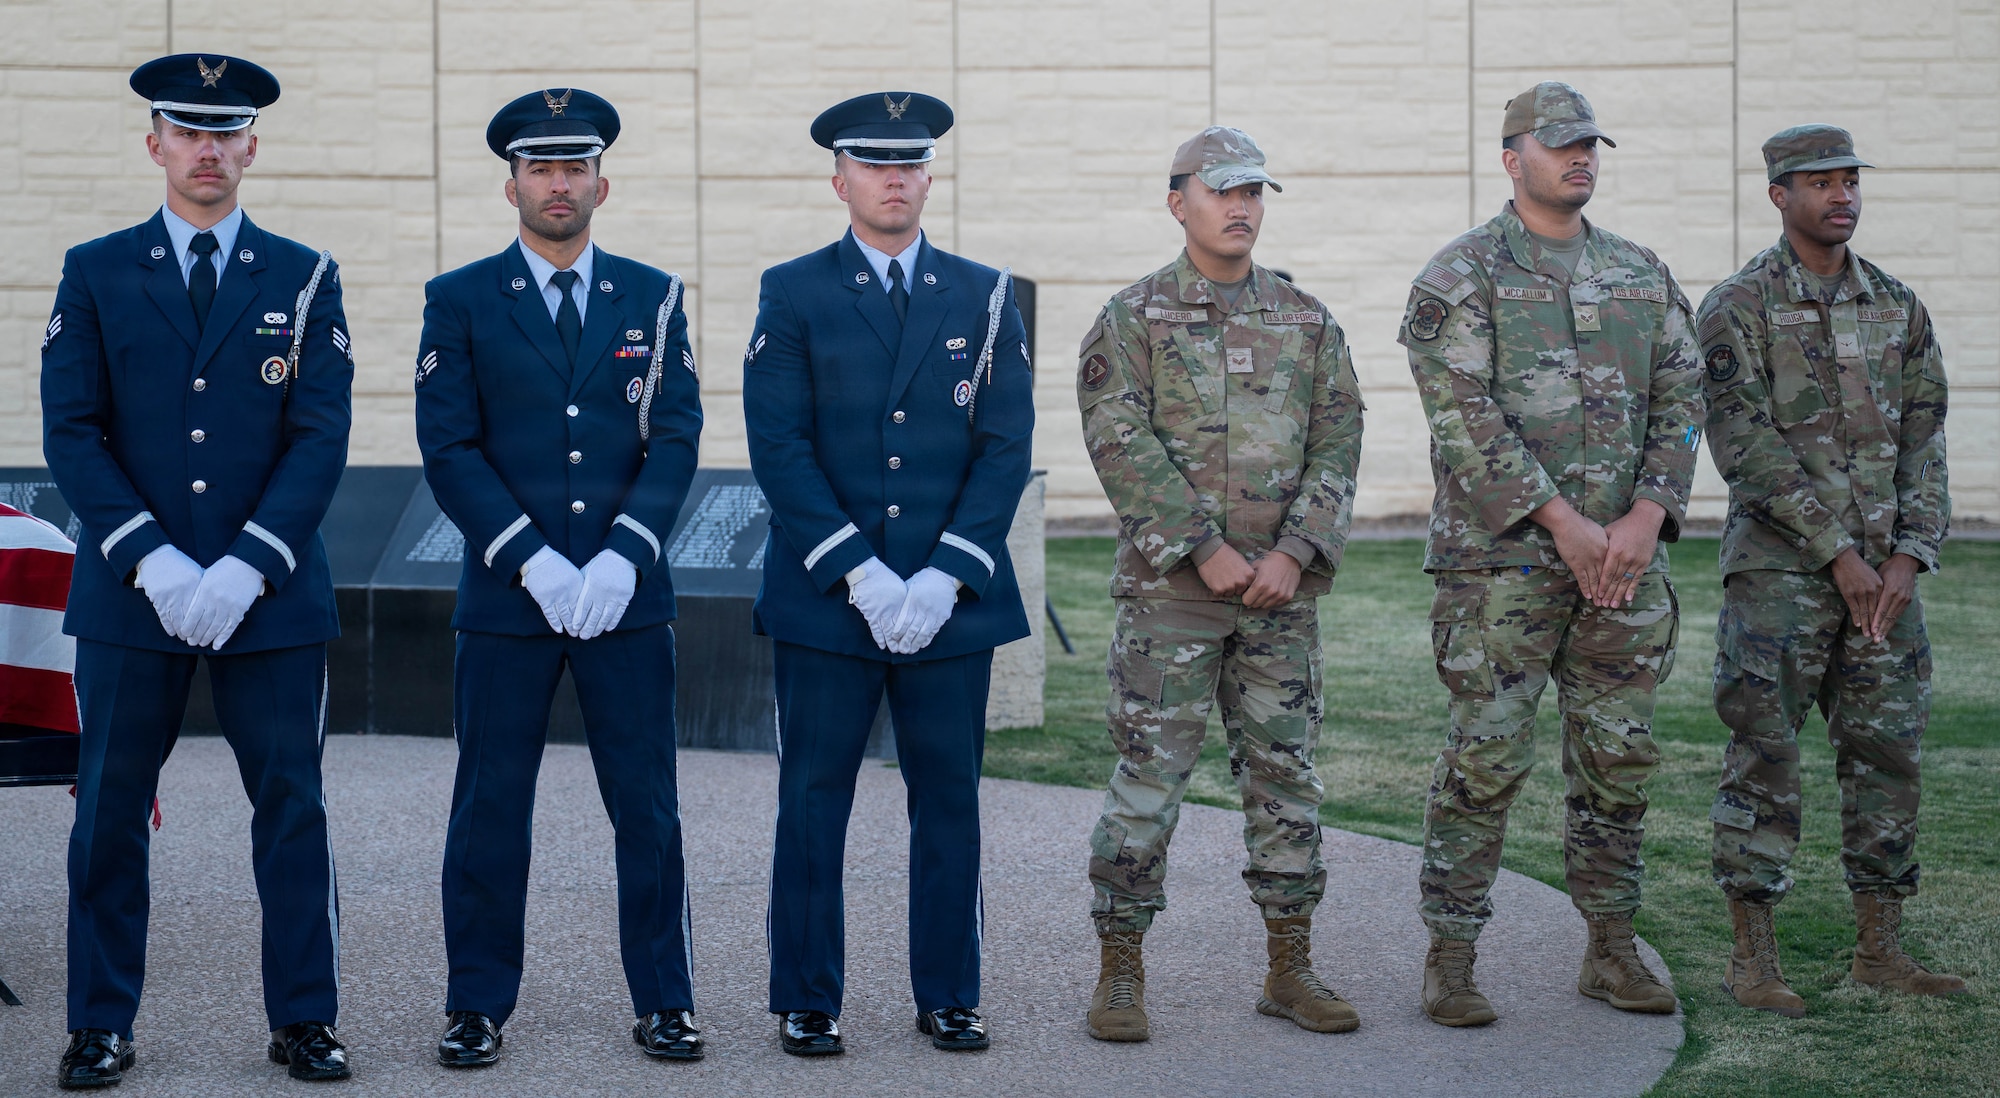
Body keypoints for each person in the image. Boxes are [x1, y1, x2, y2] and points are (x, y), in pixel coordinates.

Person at [42, 53, 354, 1086]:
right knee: (109, 812)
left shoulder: (305, 276)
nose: (208, 149)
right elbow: (73, 433)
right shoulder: (93, 270)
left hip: (270, 599)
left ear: (251, 149)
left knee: (293, 809)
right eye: (190, 132)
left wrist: (247, 564)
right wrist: (157, 561)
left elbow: (319, 437)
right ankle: (99, 1021)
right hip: (135, 598)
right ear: (157, 146)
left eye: (227, 134)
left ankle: (303, 1017)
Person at [1396, 81, 1704, 1027]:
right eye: (1561, 144)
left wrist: (1650, 514)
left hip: (1623, 568)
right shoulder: (1462, 278)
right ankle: (1451, 957)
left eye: (1589, 145)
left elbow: (1683, 398)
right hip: (1505, 572)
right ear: (1510, 157)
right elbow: (1463, 419)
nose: (1581, 157)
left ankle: (1611, 949)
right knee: (1485, 761)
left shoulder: (1641, 274)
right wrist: (1565, 525)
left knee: (1619, 760)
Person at [413, 87, 705, 1068]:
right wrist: (531, 559)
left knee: (648, 806)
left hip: (626, 599)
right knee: (491, 806)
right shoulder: (456, 301)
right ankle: (474, 1004)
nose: (557, 184)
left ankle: (665, 998)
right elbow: (449, 448)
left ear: (601, 184)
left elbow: (674, 439)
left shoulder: (654, 298)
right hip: (508, 598)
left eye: (573, 167)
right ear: (511, 187)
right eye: (540, 167)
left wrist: (624, 556)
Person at [742, 90, 1033, 1056]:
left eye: (910, 163)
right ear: (841, 179)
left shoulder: (985, 295)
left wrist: (948, 573)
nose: (894, 178)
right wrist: (861, 573)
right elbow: (779, 447)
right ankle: (807, 996)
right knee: (813, 801)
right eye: (874, 163)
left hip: (951, 603)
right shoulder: (792, 291)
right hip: (833, 599)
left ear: (930, 176)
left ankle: (950, 991)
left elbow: (1004, 447)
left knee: (949, 802)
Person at [1075, 127, 1365, 1043]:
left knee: (1286, 780)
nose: (1241, 207)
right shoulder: (1134, 319)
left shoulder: (1307, 320)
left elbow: (1338, 440)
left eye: (1253, 192)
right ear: (1178, 202)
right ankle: (1121, 971)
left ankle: (1290, 967)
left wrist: (1294, 551)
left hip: (1280, 598)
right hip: (1173, 597)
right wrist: (1203, 549)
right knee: (1149, 781)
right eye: (1222, 190)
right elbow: (1118, 441)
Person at [1699, 124, 1963, 1017]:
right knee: (1764, 759)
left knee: (1888, 757)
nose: (1842, 195)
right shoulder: (1737, 306)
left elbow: (1925, 441)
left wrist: (1907, 554)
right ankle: (1753, 959)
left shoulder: (1897, 304)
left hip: (1886, 587)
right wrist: (1836, 551)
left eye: (1850, 180)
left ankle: (1880, 950)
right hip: (1779, 579)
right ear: (1780, 195)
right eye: (1821, 182)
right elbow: (1743, 445)